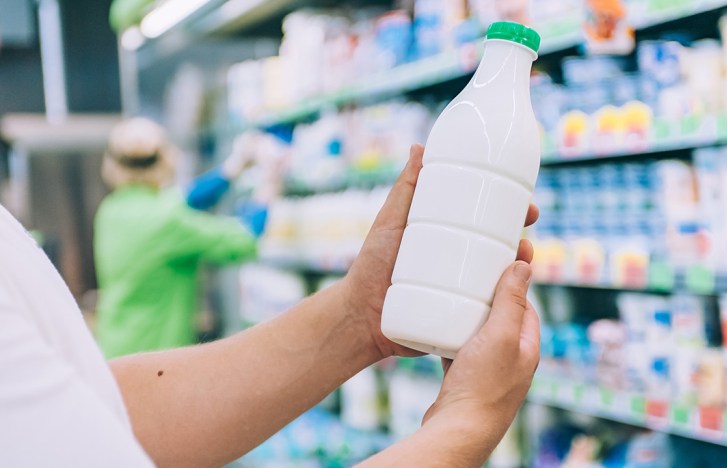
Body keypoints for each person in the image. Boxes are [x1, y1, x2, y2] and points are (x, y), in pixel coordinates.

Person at [0, 144, 541, 466]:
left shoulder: (119, 210)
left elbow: (102, 417)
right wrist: (467, 423)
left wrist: (359, 316)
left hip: (125, 345)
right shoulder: (160, 215)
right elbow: (238, 236)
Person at [94, 118, 285, 358]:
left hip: (115, 348)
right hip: (153, 358)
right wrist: (270, 180)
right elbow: (242, 240)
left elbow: (183, 199)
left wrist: (233, 167)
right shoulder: (167, 222)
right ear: (167, 158)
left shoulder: (111, 210)